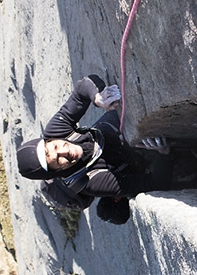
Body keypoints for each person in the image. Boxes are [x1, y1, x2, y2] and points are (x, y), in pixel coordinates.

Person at [16, 74, 171, 224]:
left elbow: (81, 89)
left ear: (50, 140)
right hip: (128, 163)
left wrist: (98, 97)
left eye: (56, 146)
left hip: (108, 134)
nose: (65, 151)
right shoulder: (92, 182)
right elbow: (156, 182)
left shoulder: (55, 131)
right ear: (56, 171)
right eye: (57, 160)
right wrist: (164, 153)